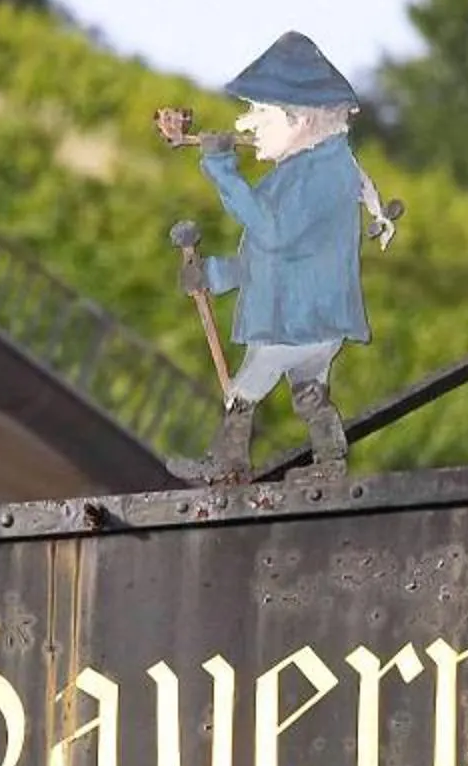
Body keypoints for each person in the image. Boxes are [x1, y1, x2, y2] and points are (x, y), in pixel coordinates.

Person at [156, 32, 389, 482]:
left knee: (242, 393)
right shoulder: (307, 171)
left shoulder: (322, 174)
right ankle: (329, 462)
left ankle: (228, 465)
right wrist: (215, 275)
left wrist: (223, 171)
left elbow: (272, 232)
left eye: (258, 113)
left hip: (294, 319)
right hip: (312, 317)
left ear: (300, 119)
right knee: (309, 394)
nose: (246, 126)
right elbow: (266, 255)